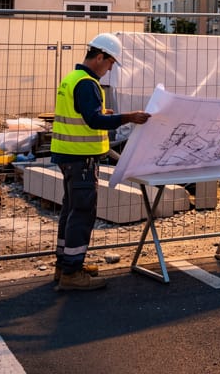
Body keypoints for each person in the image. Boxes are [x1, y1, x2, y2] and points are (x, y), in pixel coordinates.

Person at [52, 33, 150, 291]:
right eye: (110, 63)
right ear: (100, 57)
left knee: (70, 210)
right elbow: (93, 121)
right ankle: (72, 273)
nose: (110, 69)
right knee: (82, 213)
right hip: (80, 159)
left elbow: (84, 115)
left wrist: (101, 113)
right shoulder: (86, 83)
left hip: (68, 155)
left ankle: (65, 264)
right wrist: (128, 116)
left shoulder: (72, 79)